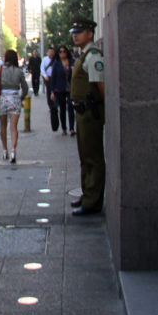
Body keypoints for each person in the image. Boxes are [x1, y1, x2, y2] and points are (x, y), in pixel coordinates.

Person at [69, 18, 106, 216]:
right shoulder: (83, 55)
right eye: (74, 32)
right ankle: (87, 195)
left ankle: (92, 201)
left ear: (90, 34)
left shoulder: (93, 56)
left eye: (80, 32)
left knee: (93, 157)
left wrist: (100, 110)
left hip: (90, 113)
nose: (75, 35)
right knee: (85, 156)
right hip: (82, 113)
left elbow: (101, 87)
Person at [0, 49, 29, 163]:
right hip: (15, 99)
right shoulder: (19, 71)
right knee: (13, 127)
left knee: (3, 126)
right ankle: (13, 151)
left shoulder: (1, 70)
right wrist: (21, 97)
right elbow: (25, 87)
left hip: (3, 100)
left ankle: (4, 150)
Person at [48, 45, 76, 136]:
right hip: (60, 89)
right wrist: (52, 91)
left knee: (71, 107)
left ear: (67, 52)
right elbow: (53, 78)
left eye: (64, 51)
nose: (62, 53)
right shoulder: (56, 63)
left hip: (70, 88)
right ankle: (64, 128)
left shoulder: (72, 62)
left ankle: (72, 128)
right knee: (62, 109)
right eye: (60, 51)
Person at [41, 47, 58, 131]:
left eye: (52, 52)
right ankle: (51, 105)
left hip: (56, 78)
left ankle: (55, 104)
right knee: (49, 92)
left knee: (55, 91)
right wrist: (45, 76)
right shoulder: (45, 60)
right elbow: (42, 69)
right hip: (48, 78)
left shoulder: (56, 59)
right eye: (50, 52)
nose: (51, 53)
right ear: (47, 52)